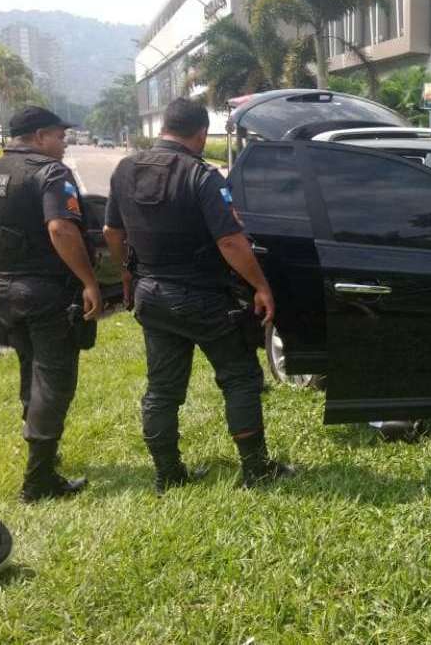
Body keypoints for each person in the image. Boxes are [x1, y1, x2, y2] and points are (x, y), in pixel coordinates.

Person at [103, 98, 292, 493]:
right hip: (203, 297)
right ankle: (256, 469)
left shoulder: (124, 170)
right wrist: (261, 286)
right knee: (239, 377)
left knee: (162, 388)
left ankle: (167, 475)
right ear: (202, 134)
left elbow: (111, 233)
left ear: (163, 127)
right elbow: (230, 241)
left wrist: (126, 273)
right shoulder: (201, 176)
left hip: (151, 294)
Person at [0, 106, 100, 502]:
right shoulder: (50, 173)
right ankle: (39, 480)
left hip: (5, 294)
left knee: (31, 371)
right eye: (61, 137)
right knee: (54, 379)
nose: (64, 144)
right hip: (45, 293)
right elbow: (61, 227)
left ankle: (44, 457)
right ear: (40, 135)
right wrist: (89, 281)